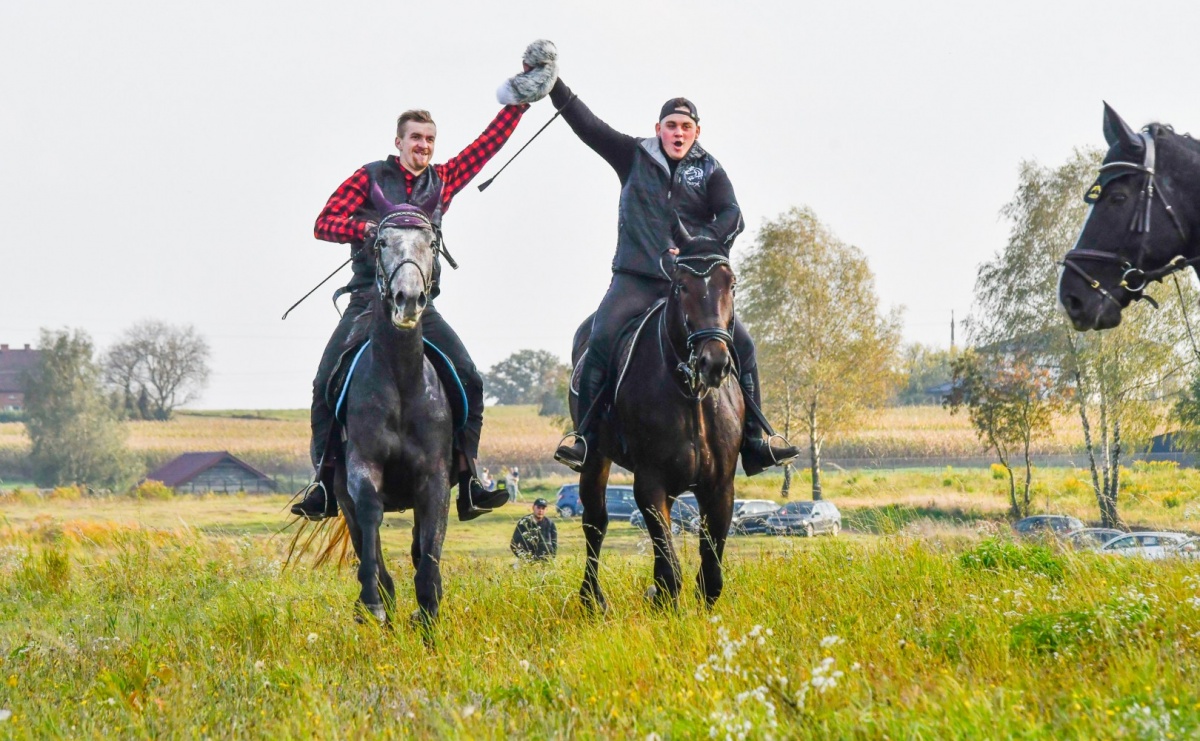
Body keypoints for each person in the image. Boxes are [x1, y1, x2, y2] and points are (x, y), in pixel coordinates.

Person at [292, 41, 559, 522]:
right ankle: (322, 484)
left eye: (429, 140)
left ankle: (470, 475)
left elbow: (487, 145)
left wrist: (521, 96)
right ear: (398, 142)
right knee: (323, 382)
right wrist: (367, 229)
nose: (423, 147)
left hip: (421, 309)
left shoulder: (444, 179)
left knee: (471, 378)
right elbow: (323, 223)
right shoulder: (369, 179)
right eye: (415, 138)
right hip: (367, 304)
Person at [546, 76, 800, 476]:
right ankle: (586, 439)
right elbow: (588, 125)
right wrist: (552, 84)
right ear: (658, 129)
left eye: (685, 127)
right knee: (600, 338)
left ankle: (754, 440)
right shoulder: (632, 155)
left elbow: (734, 215)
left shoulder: (710, 169)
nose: (677, 133)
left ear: (697, 132)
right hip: (635, 278)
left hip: (691, 286)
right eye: (671, 125)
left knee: (744, 344)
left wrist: (702, 245)